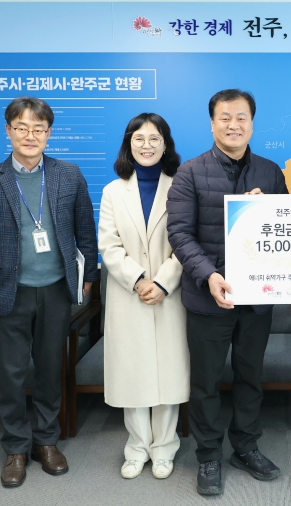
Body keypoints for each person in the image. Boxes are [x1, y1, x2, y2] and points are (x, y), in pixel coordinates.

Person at [0, 96, 98, 488]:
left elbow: (85, 229)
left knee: (50, 369)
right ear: (8, 130)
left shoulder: (68, 174)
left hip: (55, 290)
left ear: (48, 133)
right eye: (21, 127)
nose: (30, 135)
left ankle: (46, 441)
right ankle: (16, 447)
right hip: (8, 293)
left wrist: (88, 273)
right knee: (10, 373)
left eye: (38, 129)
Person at [167, 89, 288, 496]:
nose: (233, 125)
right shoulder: (190, 172)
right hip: (208, 297)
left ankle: (246, 447)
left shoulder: (271, 172)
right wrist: (209, 276)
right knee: (206, 382)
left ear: (252, 123)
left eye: (241, 118)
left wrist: (268, 209)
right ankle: (208, 455)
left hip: (256, 298)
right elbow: (179, 233)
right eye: (225, 117)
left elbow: (285, 228)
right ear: (212, 123)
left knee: (250, 377)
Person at [98, 113, 189, 480]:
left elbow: (187, 241)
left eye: (154, 138)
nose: (146, 145)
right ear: (128, 144)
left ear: (165, 145)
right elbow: (109, 244)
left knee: (169, 374)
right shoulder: (112, 191)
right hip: (128, 294)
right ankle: (136, 448)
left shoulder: (181, 185)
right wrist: (137, 280)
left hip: (170, 294)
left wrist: (163, 281)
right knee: (132, 374)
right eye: (139, 138)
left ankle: (164, 449)